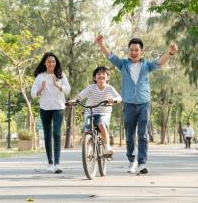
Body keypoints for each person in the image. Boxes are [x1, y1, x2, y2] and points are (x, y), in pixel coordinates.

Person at [95, 35, 178, 174]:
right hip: (128, 104)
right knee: (129, 134)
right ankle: (132, 160)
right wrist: (101, 44)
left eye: (136, 50)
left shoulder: (147, 65)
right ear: (128, 51)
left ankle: (142, 162)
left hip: (143, 103)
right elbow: (110, 55)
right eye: (131, 50)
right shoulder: (123, 64)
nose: (134, 52)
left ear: (141, 52)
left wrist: (170, 53)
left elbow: (160, 62)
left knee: (143, 134)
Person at [31, 52, 71, 173]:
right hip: (45, 108)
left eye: (53, 61)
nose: (51, 63)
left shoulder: (61, 75)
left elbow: (68, 90)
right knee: (47, 135)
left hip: (58, 107)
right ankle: (50, 162)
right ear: (45, 63)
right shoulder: (40, 77)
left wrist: (58, 85)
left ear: (56, 63)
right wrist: (41, 89)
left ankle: (57, 164)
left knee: (57, 134)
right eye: (49, 61)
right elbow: (33, 94)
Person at [69, 66, 122, 156]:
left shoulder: (110, 88)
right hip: (90, 112)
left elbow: (119, 98)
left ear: (107, 78)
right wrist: (74, 100)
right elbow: (80, 96)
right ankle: (88, 149)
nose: (101, 75)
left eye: (103, 74)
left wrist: (113, 100)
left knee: (101, 125)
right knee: (88, 129)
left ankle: (107, 147)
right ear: (94, 78)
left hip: (104, 113)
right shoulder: (91, 88)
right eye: (98, 74)